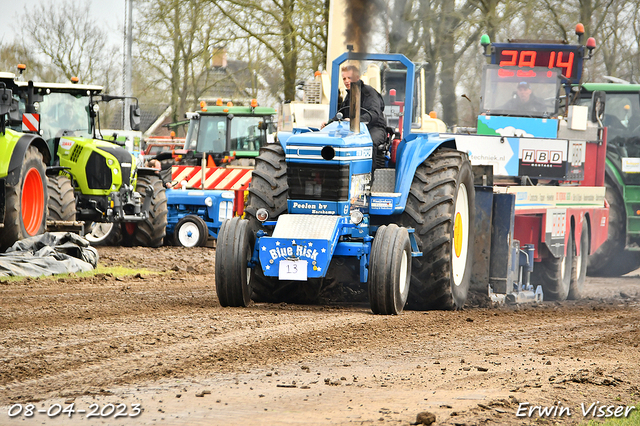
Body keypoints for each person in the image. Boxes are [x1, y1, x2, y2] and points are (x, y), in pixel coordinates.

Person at [322, 65, 388, 148]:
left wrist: (355, 121)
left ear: (357, 77)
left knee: (369, 143)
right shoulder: (348, 97)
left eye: (349, 78)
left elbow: (374, 114)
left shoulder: (369, 93)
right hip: (352, 129)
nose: (346, 81)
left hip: (374, 127)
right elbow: (341, 113)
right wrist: (328, 124)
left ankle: (372, 161)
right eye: (344, 78)